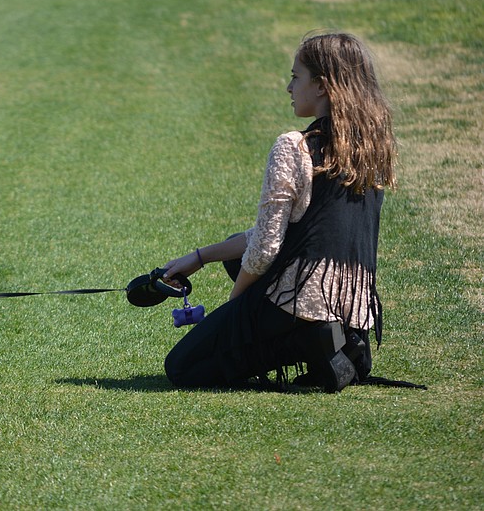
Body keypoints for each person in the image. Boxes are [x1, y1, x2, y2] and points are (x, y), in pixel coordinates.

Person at [161, 32, 396, 393]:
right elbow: (286, 234)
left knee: (181, 368)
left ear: (322, 86)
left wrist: (236, 306)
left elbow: (266, 248)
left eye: (295, 77)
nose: (289, 88)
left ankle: (307, 341)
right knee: (232, 251)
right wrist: (200, 257)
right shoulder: (371, 150)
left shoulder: (294, 146)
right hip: (351, 303)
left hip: (303, 295)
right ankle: (344, 344)